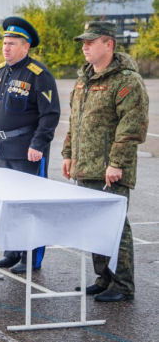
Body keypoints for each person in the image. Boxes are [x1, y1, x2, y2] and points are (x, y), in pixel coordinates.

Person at [63, 22, 149, 302]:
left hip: (110, 169)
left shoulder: (126, 81)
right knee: (94, 225)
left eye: (91, 42)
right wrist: (68, 154)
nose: (85, 47)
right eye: (83, 43)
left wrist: (117, 163)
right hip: (85, 166)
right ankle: (104, 278)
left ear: (109, 44)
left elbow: (132, 126)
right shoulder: (84, 79)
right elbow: (74, 122)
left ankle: (122, 285)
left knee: (115, 226)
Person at [0, 17, 60, 274]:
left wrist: (38, 144)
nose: (6, 48)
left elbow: (50, 114)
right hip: (3, 148)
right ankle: (12, 252)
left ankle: (31, 258)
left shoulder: (38, 75)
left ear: (26, 47)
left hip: (28, 150)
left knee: (30, 206)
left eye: (12, 44)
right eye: (4, 43)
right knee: (9, 203)